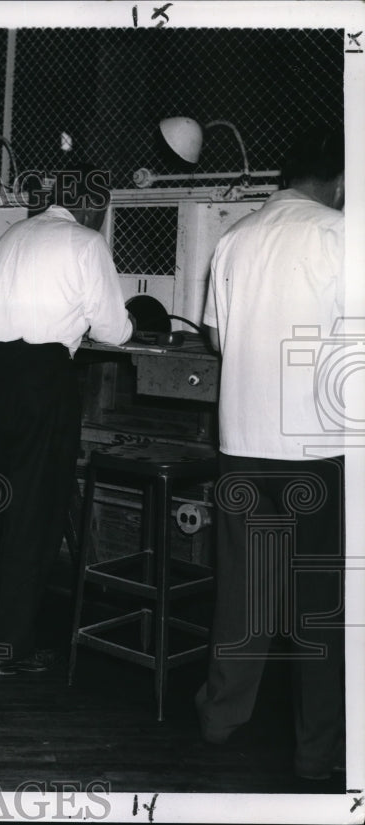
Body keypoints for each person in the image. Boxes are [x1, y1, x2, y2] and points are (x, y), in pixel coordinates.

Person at [195, 128, 345, 781]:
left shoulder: (234, 238)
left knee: (244, 594)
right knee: (322, 605)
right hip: (320, 446)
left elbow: (217, 335)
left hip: (243, 442)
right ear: (340, 181)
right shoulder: (341, 233)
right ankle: (318, 750)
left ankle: (220, 717)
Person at [0, 166, 133, 676]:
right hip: (40, 381)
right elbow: (116, 330)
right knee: (32, 516)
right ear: (94, 207)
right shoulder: (85, 243)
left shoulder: (14, 234)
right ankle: (8, 649)